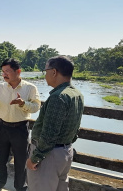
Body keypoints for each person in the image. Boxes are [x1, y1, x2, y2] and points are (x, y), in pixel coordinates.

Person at [0, 58, 40, 191]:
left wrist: (23, 103)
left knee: (21, 161)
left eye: (7, 71)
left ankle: (20, 187)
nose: (4, 74)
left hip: (20, 128)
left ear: (18, 71)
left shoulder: (30, 88)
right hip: (1, 127)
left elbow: (36, 107)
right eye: (3, 72)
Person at [26, 56, 84, 191]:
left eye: (45, 71)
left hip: (49, 155)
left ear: (54, 72)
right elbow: (76, 128)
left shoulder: (58, 97)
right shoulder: (76, 94)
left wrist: (35, 158)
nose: (45, 75)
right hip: (65, 152)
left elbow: (49, 134)